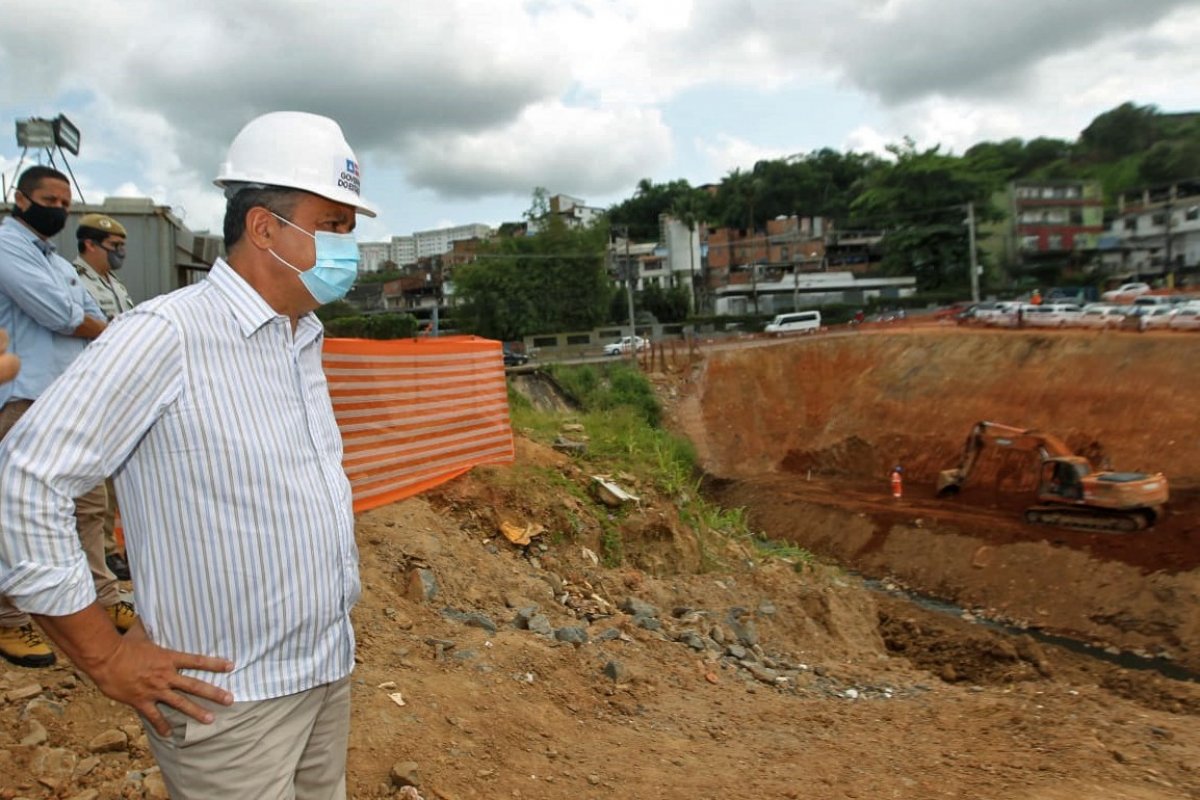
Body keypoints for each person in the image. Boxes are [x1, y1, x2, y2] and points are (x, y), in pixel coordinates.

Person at [0, 111, 373, 799]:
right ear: (266, 228)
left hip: (324, 675)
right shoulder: (166, 336)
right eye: (336, 226)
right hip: (227, 705)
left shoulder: (300, 337)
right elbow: (26, 480)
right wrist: (103, 655)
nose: (351, 247)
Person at [0, 166, 136, 669]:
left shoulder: (53, 260)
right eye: (47, 199)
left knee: (88, 506)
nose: (56, 208)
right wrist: (90, 325)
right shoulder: (7, 246)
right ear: (20, 199)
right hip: (22, 399)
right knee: (15, 511)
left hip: (66, 400)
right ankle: (11, 619)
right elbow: (58, 314)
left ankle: (99, 599)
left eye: (63, 201)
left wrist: (85, 322)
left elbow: (77, 307)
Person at [73, 213, 136, 581]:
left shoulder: (116, 285)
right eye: (114, 247)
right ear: (89, 245)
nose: (120, 253)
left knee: (116, 479)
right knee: (92, 486)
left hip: (118, 390)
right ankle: (101, 556)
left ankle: (113, 550)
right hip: (90, 387)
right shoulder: (74, 280)